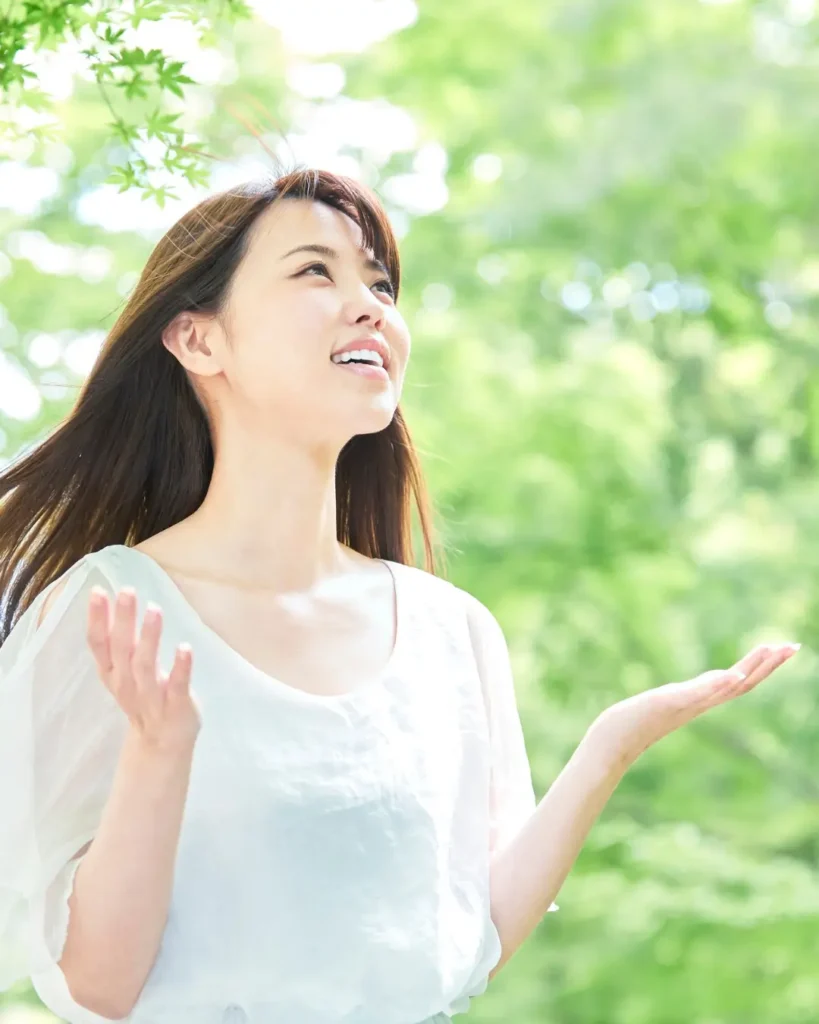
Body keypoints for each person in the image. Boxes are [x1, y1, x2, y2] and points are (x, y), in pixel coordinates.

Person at [0, 167, 800, 1024]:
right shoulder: (114, 611)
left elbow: (473, 932)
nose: (370, 306)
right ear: (199, 341)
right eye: (315, 271)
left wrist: (609, 747)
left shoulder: (448, 628)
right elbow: (98, 984)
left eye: (380, 284)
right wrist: (161, 753)